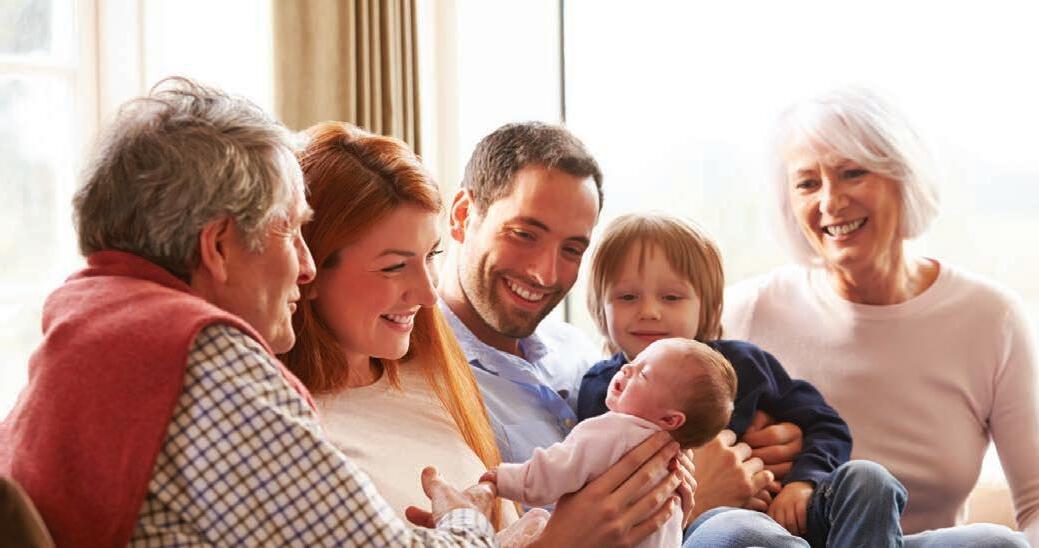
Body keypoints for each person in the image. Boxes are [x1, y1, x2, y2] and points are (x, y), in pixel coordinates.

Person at [0, 77, 499, 546]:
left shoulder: (90, 320)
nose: (306, 267)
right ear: (218, 246)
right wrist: (469, 522)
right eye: (290, 231)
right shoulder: (203, 359)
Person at [439, 121, 809, 546]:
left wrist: (783, 445)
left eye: (572, 249)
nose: (545, 273)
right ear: (462, 215)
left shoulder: (576, 353)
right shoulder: (428, 379)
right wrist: (696, 500)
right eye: (524, 234)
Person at [723, 87, 1035, 546]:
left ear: (904, 179)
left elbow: (1035, 500)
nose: (830, 201)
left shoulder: (992, 317)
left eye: (852, 173)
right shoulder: (744, 312)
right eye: (808, 183)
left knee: (996, 544)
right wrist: (732, 458)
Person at [579, 212, 915, 547]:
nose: (649, 311)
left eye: (671, 298)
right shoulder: (601, 388)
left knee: (870, 478)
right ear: (600, 307)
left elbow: (825, 425)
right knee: (740, 526)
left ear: (706, 306)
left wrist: (803, 483)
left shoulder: (743, 364)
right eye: (627, 297)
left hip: (795, 514)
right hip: (707, 529)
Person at [485, 338, 737, 548]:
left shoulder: (613, 431)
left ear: (670, 419)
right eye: (632, 362)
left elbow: (555, 471)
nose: (626, 369)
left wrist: (506, 480)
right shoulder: (673, 461)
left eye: (644, 374)